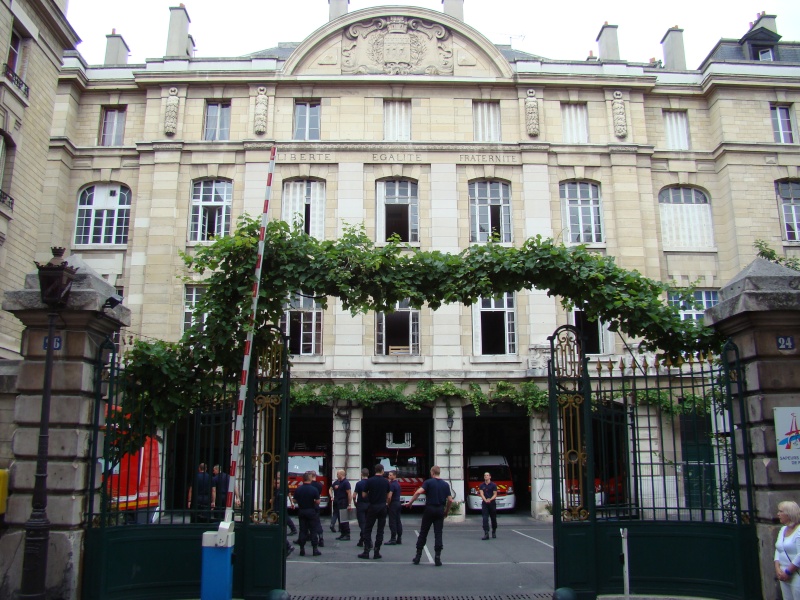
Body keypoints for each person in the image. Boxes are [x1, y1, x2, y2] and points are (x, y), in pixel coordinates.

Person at [405, 465, 453, 567]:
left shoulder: (428, 482)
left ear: (432, 473)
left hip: (430, 508)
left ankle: (418, 556)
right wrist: (446, 511)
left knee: (423, 532)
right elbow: (450, 500)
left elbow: (418, 492)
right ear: (439, 472)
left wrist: (410, 502)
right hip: (440, 509)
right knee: (438, 533)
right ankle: (437, 557)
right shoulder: (445, 485)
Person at [358, 463, 390, 560]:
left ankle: (366, 551)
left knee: (368, 529)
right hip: (382, 506)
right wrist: (386, 503)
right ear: (382, 471)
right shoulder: (386, 482)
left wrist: (370, 495)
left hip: (372, 506)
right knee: (380, 530)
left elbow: (363, 495)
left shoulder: (370, 481)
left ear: (375, 470)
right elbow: (389, 496)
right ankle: (377, 551)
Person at [775, 500, 800, 599]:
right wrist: (777, 568)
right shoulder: (782, 530)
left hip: (796, 573)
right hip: (783, 573)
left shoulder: (798, 531)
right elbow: (778, 549)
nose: (778, 514)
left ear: (789, 514)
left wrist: (788, 572)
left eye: (781, 511)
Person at [293, 471, 322, 556]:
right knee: (313, 530)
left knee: (302, 530)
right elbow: (318, 501)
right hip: (311, 510)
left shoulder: (299, 488)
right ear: (310, 479)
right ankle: (315, 549)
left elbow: (294, 500)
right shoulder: (314, 489)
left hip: (302, 510)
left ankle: (302, 549)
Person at [330, 469, 353, 541]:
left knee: (344, 519)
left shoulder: (346, 483)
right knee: (340, 519)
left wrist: (349, 504)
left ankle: (347, 535)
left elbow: (349, 493)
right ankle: (343, 534)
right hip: (338, 502)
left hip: (343, 501)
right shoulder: (338, 482)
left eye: (338, 474)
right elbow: (331, 488)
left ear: (341, 474)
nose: (337, 475)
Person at [479, 471, 498, 540]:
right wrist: (485, 500)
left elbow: (495, 494)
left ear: (490, 477)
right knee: (485, 518)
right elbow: (481, 493)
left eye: (487, 475)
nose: (486, 476)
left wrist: (490, 499)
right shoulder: (481, 485)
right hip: (485, 504)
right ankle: (486, 533)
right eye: (485, 475)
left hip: (492, 503)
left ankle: (494, 531)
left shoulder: (493, 485)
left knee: (493, 518)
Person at [386, 470, 403, 545]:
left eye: (390, 475)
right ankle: (399, 538)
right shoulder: (398, 484)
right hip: (398, 503)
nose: (389, 476)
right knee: (398, 520)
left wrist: (388, 503)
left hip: (393, 503)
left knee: (392, 521)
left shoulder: (392, 485)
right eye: (389, 475)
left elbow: (389, 496)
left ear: (394, 476)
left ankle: (393, 538)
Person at [353, 468, 370, 547]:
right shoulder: (371, 483)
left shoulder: (359, 483)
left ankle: (367, 540)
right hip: (369, 504)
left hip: (361, 504)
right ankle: (361, 540)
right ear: (368, 474)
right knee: (367, 523)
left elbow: (354, 495)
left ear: (361, 474)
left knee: (362, 523)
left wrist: (354, 502)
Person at [309, 470, 325, 547]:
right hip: (316, 505)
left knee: (307, 523)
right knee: (317, 521)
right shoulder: (319, 485)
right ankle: (321, 537)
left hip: (309, 505)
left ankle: (311, 537)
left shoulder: (309, 485)